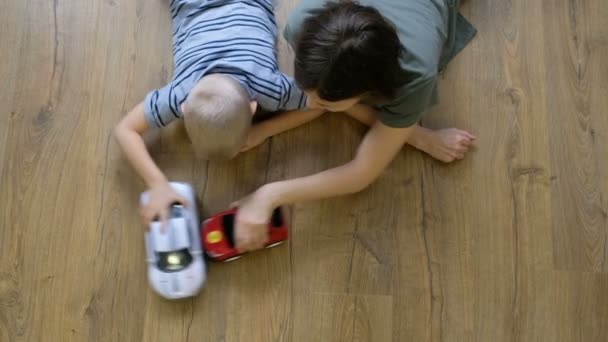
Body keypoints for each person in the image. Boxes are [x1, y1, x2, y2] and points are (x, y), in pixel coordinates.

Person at [233, 0, 478, 251]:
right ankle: (408, 131)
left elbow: (361, 173)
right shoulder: (303, 24)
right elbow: (321, 101)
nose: (309, 104)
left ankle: (408, 131)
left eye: (326, 103)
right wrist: (264, 130)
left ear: (371, 91)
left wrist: (270, 194)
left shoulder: (413, 75)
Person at [114, 0, 320, 224]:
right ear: (252, 108)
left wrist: (264, 129)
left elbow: (322, 104)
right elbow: (124, 130)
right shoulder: (181, 93)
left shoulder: (268, 88)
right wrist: (156, 184)